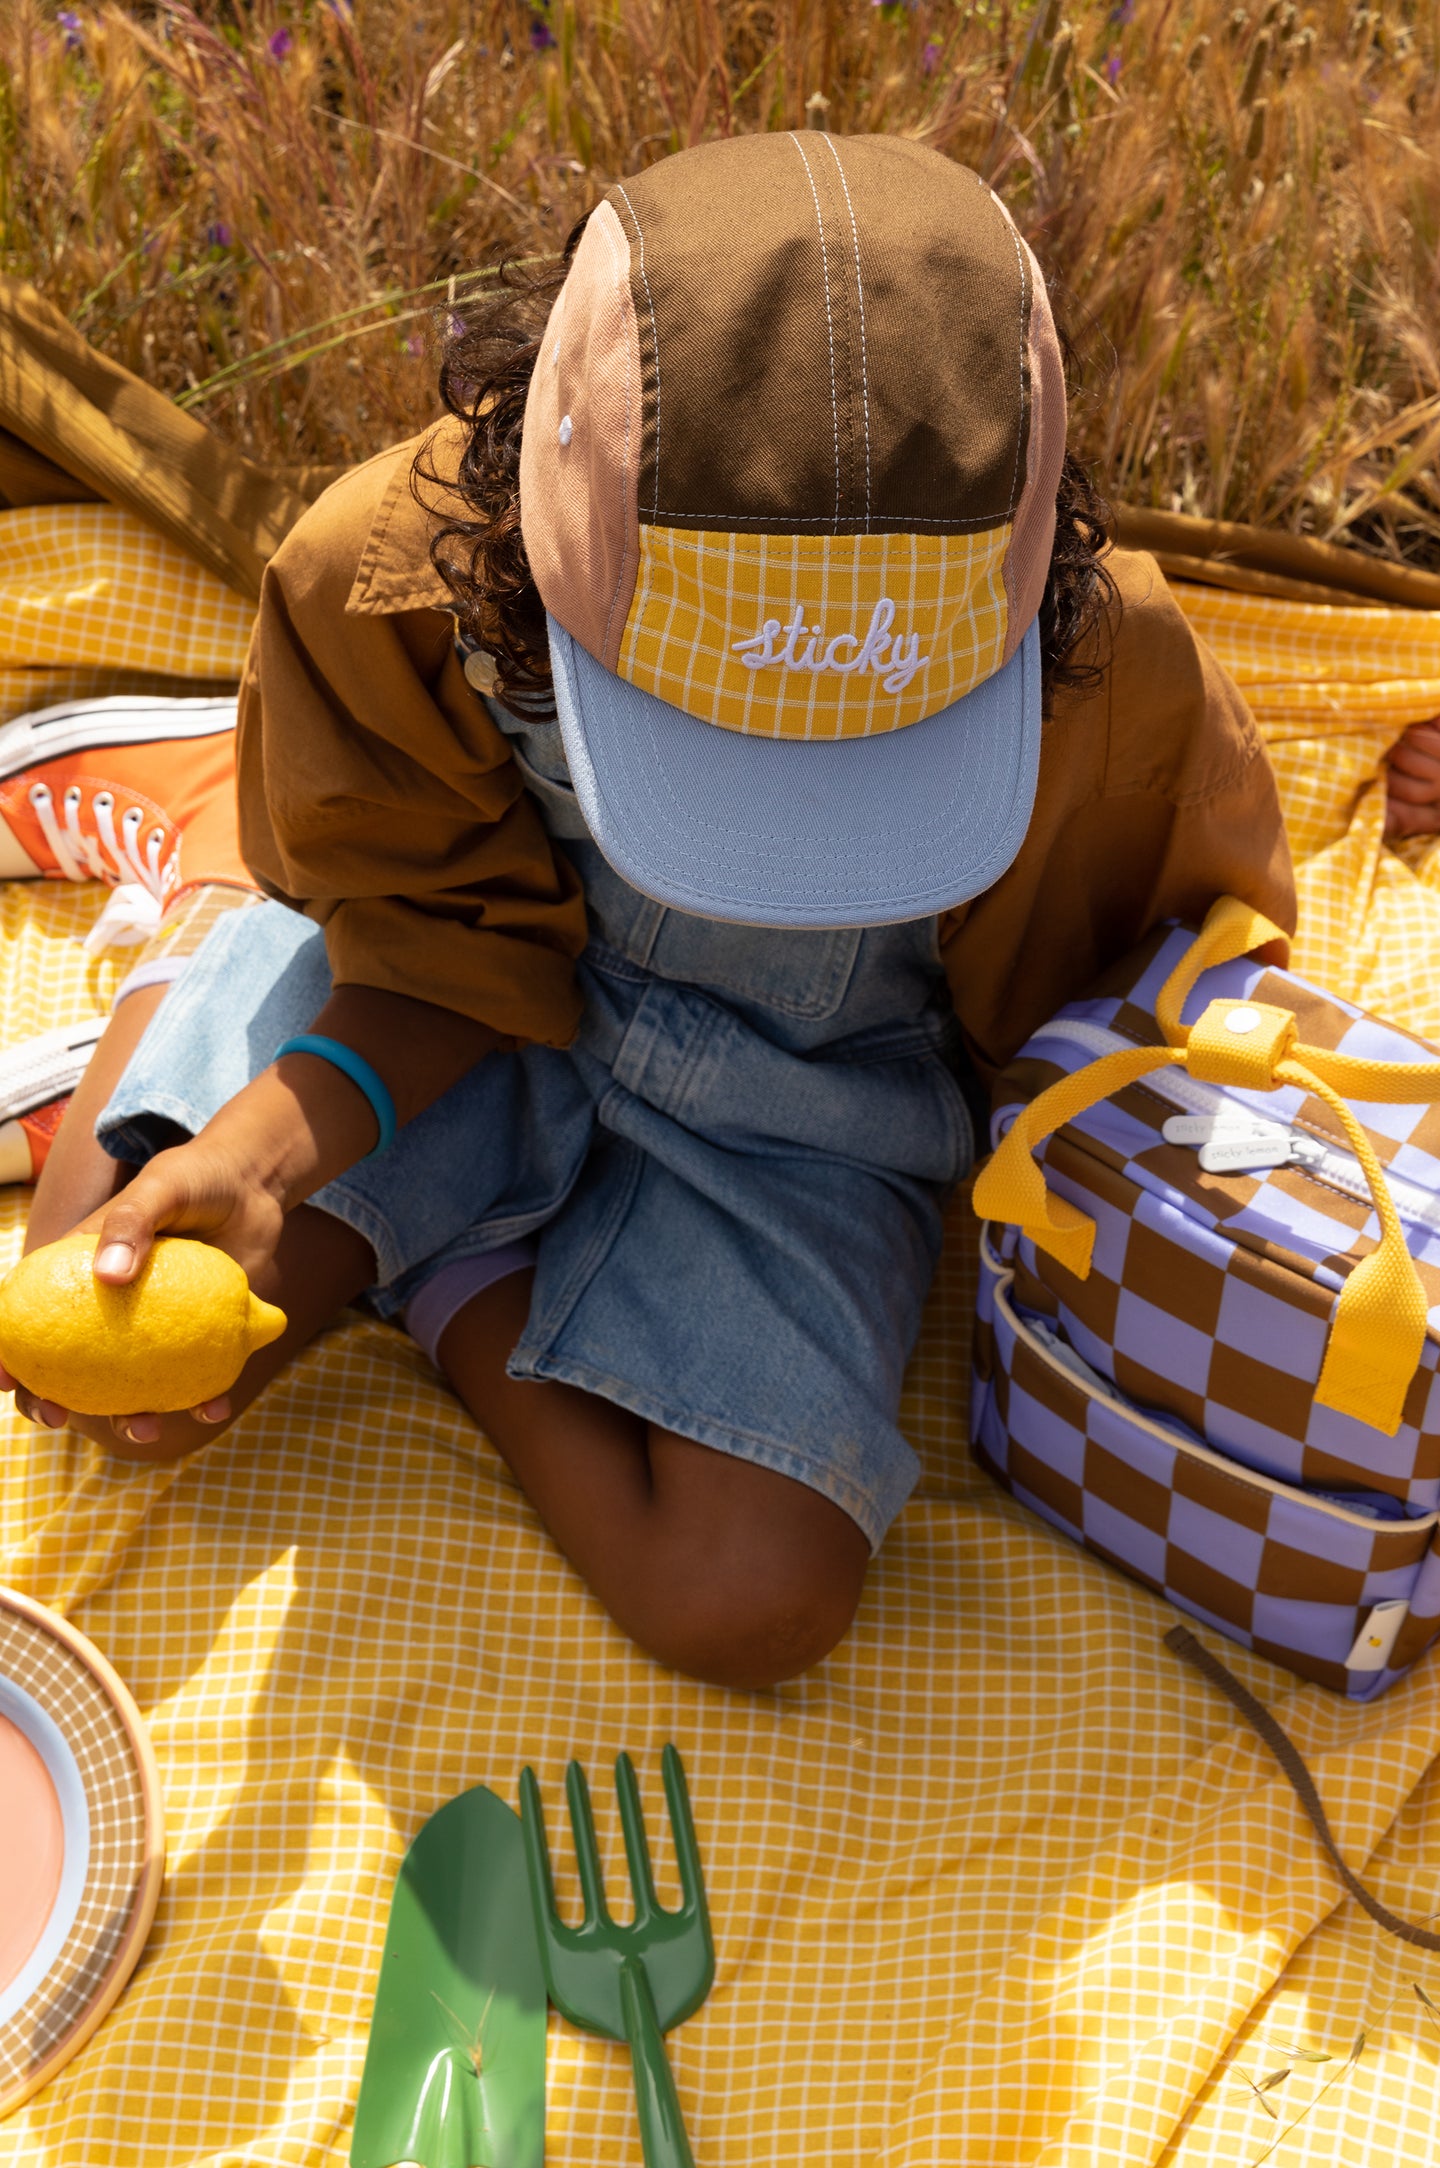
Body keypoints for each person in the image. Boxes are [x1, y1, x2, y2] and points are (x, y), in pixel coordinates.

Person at [1, 134, 1296, 1688]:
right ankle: (218, 841)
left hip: (803, 1099)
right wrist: (257, 1164)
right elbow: (419, 944)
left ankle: (458, 1264)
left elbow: (1163, 990)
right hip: (433, 998)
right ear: (533, 504)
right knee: (95, 1358)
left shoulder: (1112, 675)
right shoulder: (389, 576)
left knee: (740, 1601)